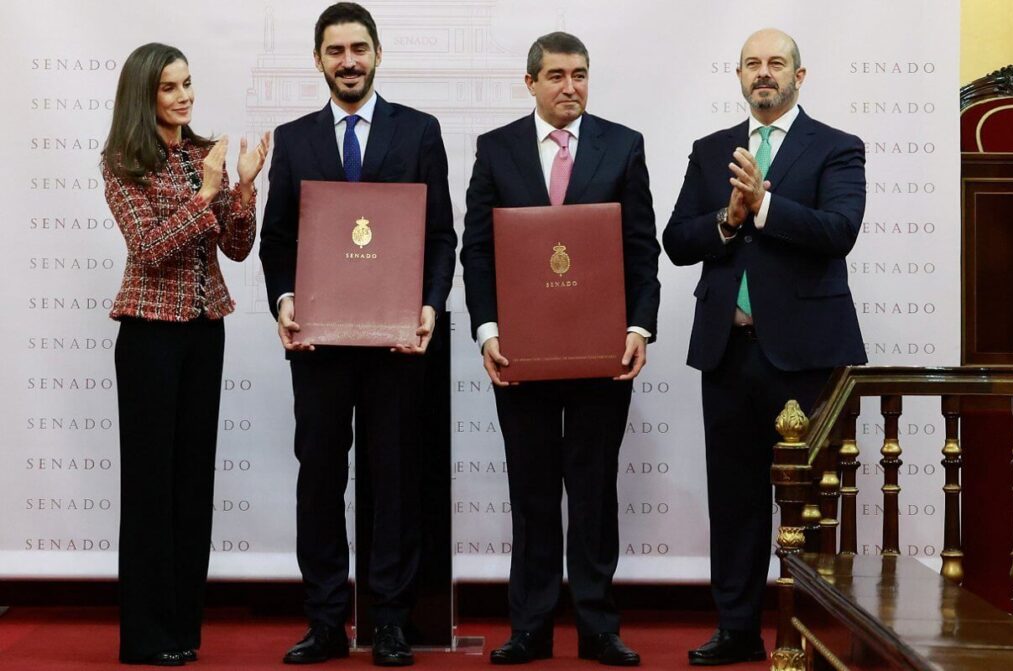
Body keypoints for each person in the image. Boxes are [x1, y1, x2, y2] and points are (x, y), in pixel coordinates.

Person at [258, 2, 456, 666]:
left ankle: (390, 619)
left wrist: (430, 304)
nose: (349, 61)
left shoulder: (420, 131)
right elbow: (277, 238)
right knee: (319, 477)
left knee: (393, 478)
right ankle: (322, 619)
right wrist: (285, 300)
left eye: (359, 49)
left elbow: (440, 236)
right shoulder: (294, 139)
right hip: (318, 341)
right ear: (318, 59)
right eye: (336, 50)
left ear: (377, 54)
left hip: (397, 341)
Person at [661, 28, 867, 666]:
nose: (764, 73)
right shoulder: (711, 150)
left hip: (806, 353)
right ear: (740, 77)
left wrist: (766, 204)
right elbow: (676, 240)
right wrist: (727, 219)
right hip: (729, 349)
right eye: (753, 64)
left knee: (807, 497)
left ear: (799, 77)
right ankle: (737, 627)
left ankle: (813, 627)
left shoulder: (836, 148)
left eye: (776, 63)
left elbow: (840, 231)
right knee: (735, 497)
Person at [460, 31, 660, 667]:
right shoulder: (495, 151)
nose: (569, 86)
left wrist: (639, 328)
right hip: (522, 355)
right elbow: (479, 251)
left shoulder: (623, 146)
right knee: (533, 492)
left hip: (603, 353)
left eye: (579, 74)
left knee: (596, 492)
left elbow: (640, 250)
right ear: (530, 83)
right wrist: (488, 332)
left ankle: (599, 626)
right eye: (555, 76)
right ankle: (531, 628)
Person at [101, 42, 268, 666]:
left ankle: (183, 630)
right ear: (145, 97)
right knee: (150, 485)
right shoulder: (123, 162)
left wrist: (243, 189)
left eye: (188, 83)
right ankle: (146, 637)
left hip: (203, 332)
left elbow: (237, 248)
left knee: (192, 483)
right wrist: (205, 194)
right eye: (170, 88)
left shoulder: (206, 154)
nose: (184, 96)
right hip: (148, 334)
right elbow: (148, 248)